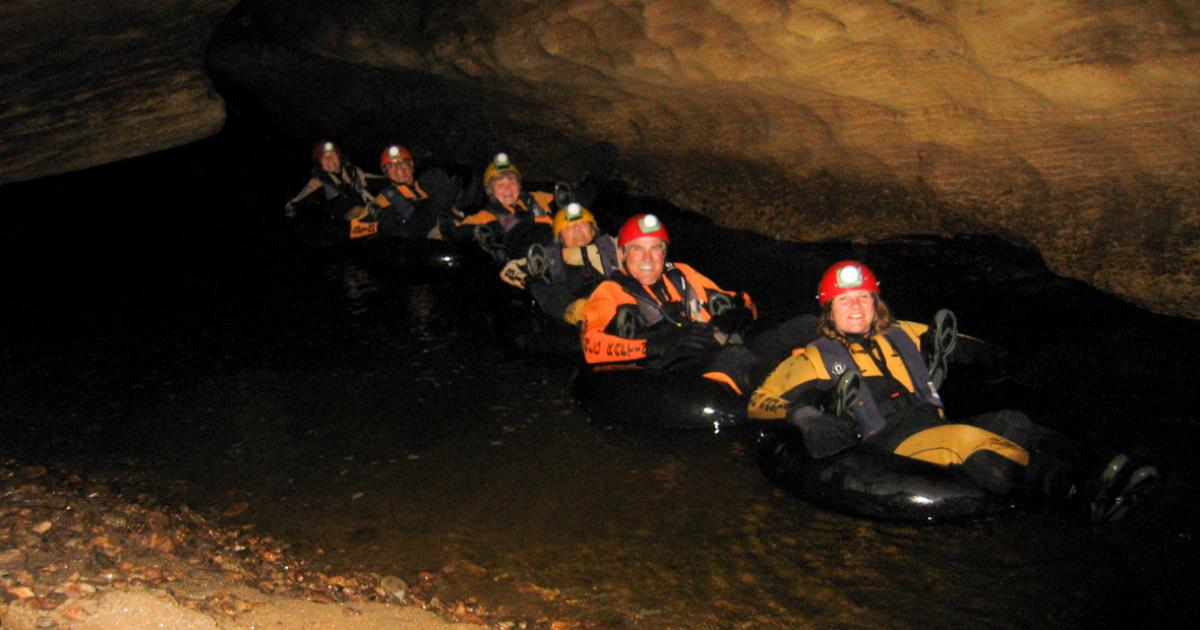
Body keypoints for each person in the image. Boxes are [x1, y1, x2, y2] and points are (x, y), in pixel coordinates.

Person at [748, 260, 1160, 522]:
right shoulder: (813, 357)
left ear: (876, 304)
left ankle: (1104, 470)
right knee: (969, 442)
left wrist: (1001, 357)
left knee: (1014, 422)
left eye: (863, 298)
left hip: (931, 421)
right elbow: (760, 401)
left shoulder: (903, 333)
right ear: (829, 311)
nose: (855, 307)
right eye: (844, 302)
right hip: (890, 441)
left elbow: (962, 341)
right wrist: (804, 416)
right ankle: (1081, 495)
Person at [580, 213, 816, 394]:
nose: (648, 259)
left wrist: (742, 311)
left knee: (806, 325)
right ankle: (795, 391)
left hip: (716, 348)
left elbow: (735, 297)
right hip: (671, 371)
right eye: (637, 250)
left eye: (656, 249)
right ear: (622, 254)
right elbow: (591, 347)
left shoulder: (681, 275)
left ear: (664, 253)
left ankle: (829, 371)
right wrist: (655, 345)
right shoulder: (609, 291)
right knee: (735, 356)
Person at [499, 201, 620, 324]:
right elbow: (510, 269)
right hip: (586, 323)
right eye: (569, 227)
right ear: (560, 238)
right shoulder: (551, 260)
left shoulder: (612, 246)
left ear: (593, 230)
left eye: (582, 224)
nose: (577, 229)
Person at [457, 153, 556, 261]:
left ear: (519, 185)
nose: (508, 190)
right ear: (491, 191)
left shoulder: (537, 198)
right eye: (500, 185)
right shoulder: (488, 215)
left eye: (512, 183)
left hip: (561, 251)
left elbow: (568, 197)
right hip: (530, 263)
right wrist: (481, 233)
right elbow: (461, 232)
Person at [369, 144, 463, 240]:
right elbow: (401, 233)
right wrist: (431, 205)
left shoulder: (429, 182)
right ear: (386, 172)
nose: (399, 167)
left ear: (411, 164)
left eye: (403, 162)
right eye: (391, 165)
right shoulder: (384, 199)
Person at [284, 141, 378, 230]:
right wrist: (293, 202)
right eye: (325, 158)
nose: (330, 160)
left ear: (339, 157)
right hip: (343, 222)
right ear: (320, 163)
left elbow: (369, 178)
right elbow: (309, 188)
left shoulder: (353, 170)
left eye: (333, 155)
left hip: (368, 212)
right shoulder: (319, 179)